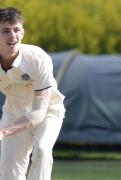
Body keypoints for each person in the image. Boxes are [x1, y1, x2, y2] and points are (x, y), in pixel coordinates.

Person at [0, 7, 65, 180]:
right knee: (9, 176)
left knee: (42, 149)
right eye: (5, 31)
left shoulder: (38, 58)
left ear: (22, 33)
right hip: (14, 113)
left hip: (47, 112)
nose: (12, 36)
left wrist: (3, 131)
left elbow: (38, 113)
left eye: (16, 30)